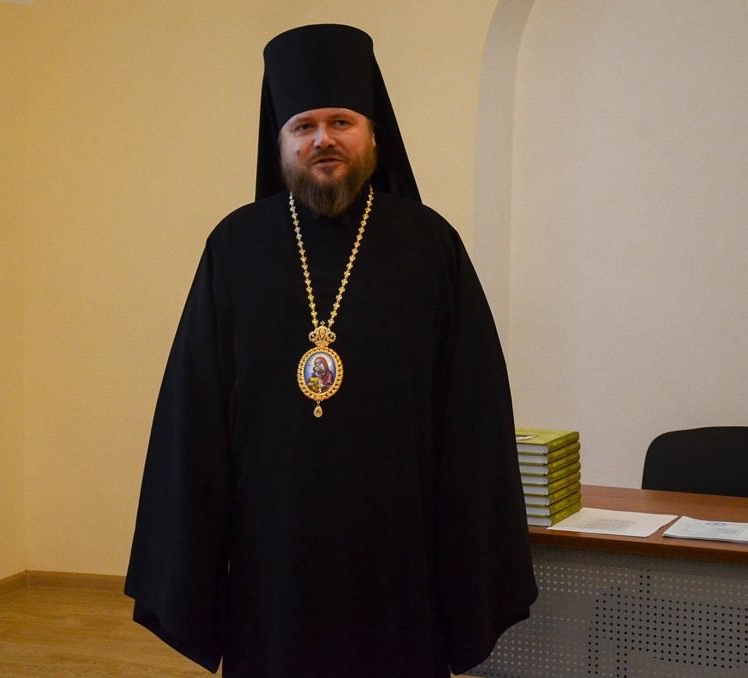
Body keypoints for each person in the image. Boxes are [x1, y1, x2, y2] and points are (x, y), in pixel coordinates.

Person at [125, 23, 537, 678]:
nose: (323, 139)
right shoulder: (235, 247)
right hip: (271, 554)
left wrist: (469, 569)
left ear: (372, 134)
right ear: (281, 141)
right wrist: (190, 567)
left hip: (399, 552)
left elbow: (472, 416)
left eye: (341, 122)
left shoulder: (430, 246)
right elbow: (193, 414)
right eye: (304, 126)